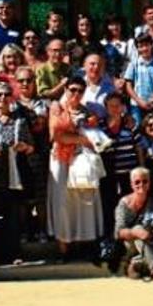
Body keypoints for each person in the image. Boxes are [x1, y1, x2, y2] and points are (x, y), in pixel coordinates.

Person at [47, 76, 104, 260]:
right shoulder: (57, 109)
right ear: (65, 90)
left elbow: (95, 138)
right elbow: (56, 135)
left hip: (81, 161)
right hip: (60, 161)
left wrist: (81, 139)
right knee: (61, 203)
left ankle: (80, 246)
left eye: (80, 90)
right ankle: (63, 249)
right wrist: (81, 139)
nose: (76, 94)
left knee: (81, 203)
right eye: (72, 89)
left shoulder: (88, 112)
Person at [0, 82, 34, 265]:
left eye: (6, 94)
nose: (2, 98)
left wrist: (25, 147)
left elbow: (32, 147)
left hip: (15, 175)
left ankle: (15, 253)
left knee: (14, 217)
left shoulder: (20, 120)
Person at [13, 65, 50, 243]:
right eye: (21, 80)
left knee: (40, 197)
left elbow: (41, 127)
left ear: (35, 82)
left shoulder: (44, 103)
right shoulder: (11, 104)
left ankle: (42, 231)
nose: (25, 83)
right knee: (22, 199)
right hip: (18, 157)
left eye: (29, 80)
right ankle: (25, 232)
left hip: (40, 156)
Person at [100, 92, 144, 239]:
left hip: (129, 173)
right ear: (106, 108)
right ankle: (111, 237)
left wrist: (142, 169)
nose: (114, 109)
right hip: (108, 173)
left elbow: (138, 147)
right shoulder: (100, 126)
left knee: (129, 206)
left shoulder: (131, 124)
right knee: (109, 206)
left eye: (117, 106)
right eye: (111, 106)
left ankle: (129, 236)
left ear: (123, 107)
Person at [114, 167, 153, 284]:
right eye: (137, 182)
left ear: (149, 183)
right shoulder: (123, 204)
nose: (141, 184)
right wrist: (136, 232)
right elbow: (119, 232)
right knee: (138, 232)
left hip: (150, 239)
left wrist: (148, 234)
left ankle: (134, 263)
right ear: (131, 184)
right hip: (130, 243)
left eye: (145, 181)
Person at [124, 34, 153, 126]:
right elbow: (128, 85)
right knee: (137, 127)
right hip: (136, 104)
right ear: (137, 48)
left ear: (151, 45)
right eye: (140, 46)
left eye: (146, 45)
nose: (144, 49)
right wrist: (138, 101)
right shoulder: (134, 64)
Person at [80, 53, 115, 120]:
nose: (96, 67)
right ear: (84, 66)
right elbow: (64, 104)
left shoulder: (111, 89)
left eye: (100, 65)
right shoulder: (76, 85)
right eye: (92, 64)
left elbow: (120, 111)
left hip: (102, 127)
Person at [99, 14, 129, 79]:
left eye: (117, 24)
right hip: (106, 80)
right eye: (111, 25)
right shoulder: (102, 43)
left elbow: (131, 62)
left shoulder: (129, 42)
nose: (115, 27)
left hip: (124, 78)